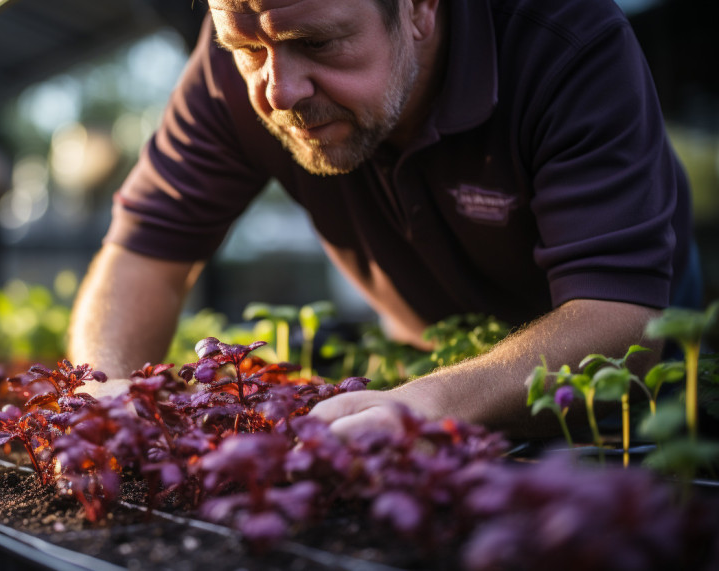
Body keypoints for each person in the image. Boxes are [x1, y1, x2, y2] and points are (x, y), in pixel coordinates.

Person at [67, 0, 701, 438]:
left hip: (630, 393)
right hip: (426, 367)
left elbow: (623, 318)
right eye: (246, 49)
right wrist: (105, 395)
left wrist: (428, 403)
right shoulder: (248, 46)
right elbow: (140, 255)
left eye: (317, 43)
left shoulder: (563, 40)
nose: (279, 91)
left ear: (421, 9)